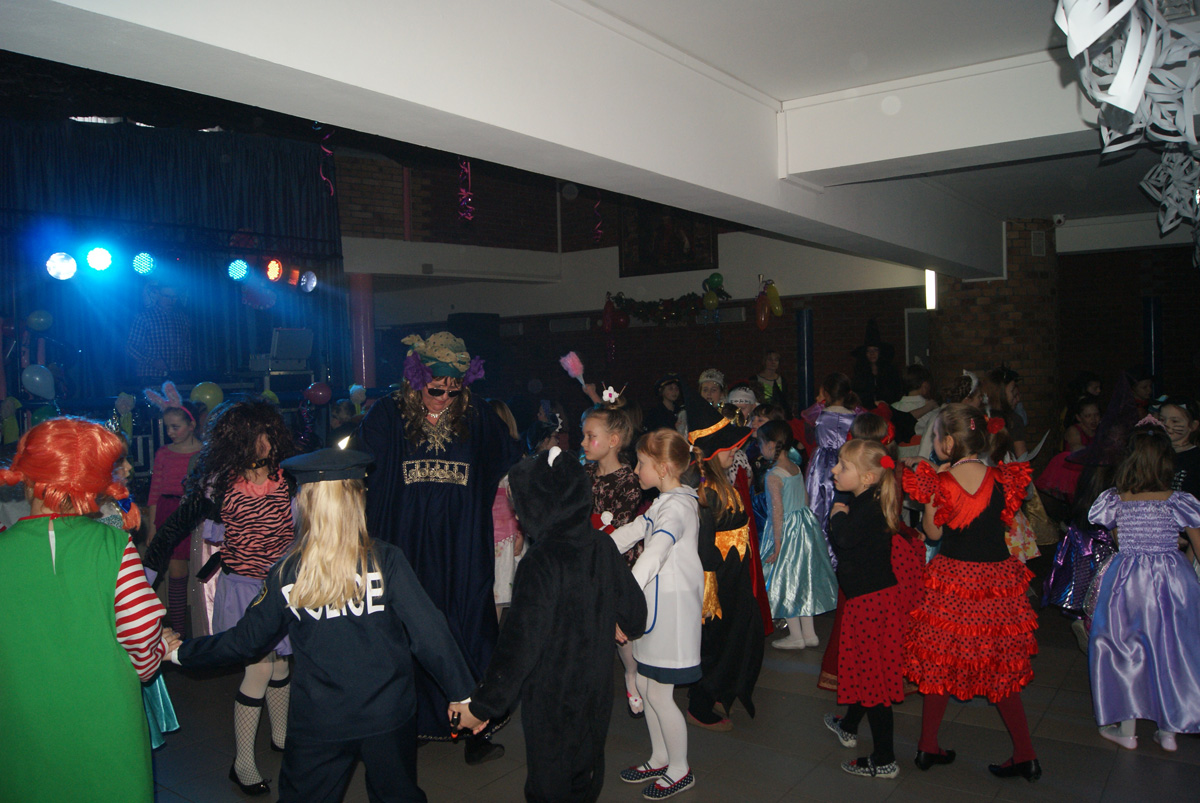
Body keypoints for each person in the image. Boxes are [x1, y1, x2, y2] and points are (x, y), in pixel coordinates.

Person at [168, 448, 478, 803]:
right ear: (358, 500)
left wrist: (180, 653)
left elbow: (245, 640)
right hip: (388, 713)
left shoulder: (287, 572)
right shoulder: (387, 560)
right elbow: (431, 633)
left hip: (322, 717)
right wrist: (464, 695)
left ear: (305, 503)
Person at [356, 331, 521, 761]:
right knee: (406, 627)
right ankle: (408, 720)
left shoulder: (477, 414)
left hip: (461, 542)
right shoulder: (388, 414)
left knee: (468, 622)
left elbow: (508, 458)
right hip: (405, 542)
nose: (444, 398)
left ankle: (477, 727)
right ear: (416, 379)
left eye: (453, 391)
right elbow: (360, 465)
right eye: (435, 390)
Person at [452, 447, 647, 803]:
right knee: (584, 776)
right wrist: (611, 616)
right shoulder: (602, 546)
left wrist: (482, 707)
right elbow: (636, 614)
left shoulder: (540, 561)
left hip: (553, 698)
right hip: (597, 691)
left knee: (549, 783)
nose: (517, 514)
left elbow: (519, 647)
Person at [0, 418, 167, 802]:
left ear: (27, 477)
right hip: (105, 717)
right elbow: (141, 637)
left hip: (19, 717)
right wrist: (156, 654)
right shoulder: (115, 545)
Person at [143, 400, 297, 795]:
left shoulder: (289, 476)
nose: (267, 441)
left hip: (284, 586)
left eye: (270, 433)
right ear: (239, 439)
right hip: (245, 589)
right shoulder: (219, 484)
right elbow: (171, 531)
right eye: (259, 435)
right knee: (259, 668)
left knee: (281, 663)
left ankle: (282, 737)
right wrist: (142, 582)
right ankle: (242, 763)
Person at [902, 404, 1041, 782]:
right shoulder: (1004, 478)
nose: (933, 442)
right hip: (996, 582)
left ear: (948, 443)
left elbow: (933, 534)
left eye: (935, 437)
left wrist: (932, 491)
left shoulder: (940, 482)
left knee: (939, 662)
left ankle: (927, 746)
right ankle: (1026, 755)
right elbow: (1004, 523)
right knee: (1001, 666)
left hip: (953, 581)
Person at [1087, 425, 1200, 751]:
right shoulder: (1179, 501)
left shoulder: (1116, 500)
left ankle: (1127, 729)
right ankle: (1169, 730)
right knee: (1172, 649)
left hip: (1128, 581)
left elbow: (1120, 541)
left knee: (1124, 649)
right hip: (1173, 581)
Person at [609, 429, 703, 800]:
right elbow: (631, 532)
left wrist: (624, 602)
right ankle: (661, 757)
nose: (636, 470)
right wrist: (590, 547)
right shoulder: (667, 501)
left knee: (661, 695)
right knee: (648, 688)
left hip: (671, 614)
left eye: (642, 464)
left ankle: (680, 769)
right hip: (656, 609)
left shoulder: (677, 507)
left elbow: (654, 553)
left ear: (663, 468)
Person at [823, 438, 904, 779]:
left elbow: (843, 539)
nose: (834, 470)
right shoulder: (868, 499)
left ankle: (884, 758)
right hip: (870, 601)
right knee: (866, 668)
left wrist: (836, 516)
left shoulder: (866, 507)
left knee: (874, 681)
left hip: (870, 604)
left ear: (868, 478)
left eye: (843, 466)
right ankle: (849, 725)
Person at [683, 401, 765, 733]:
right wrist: (709, 589)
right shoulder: (706, 491)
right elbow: (703, 546)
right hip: (718, 583)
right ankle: (700, 702)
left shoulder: (721, 484)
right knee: (716, 641)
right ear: (714, 453)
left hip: (734, 578)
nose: (735, 452)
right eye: (729, 448)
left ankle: (719, 688)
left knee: (736, 636)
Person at [581, 397, 646, 716]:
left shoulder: (628, 481)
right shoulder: (584, 472)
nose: (583, 442)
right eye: (583, 436)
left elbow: (618, 529)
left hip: (615, 559)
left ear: (613, 441)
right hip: (585, 557)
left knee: (622, 631)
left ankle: (631, 674)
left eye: (590, 436)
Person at [756, 420, 836, 650]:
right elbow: (806, 499)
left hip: (785, 531)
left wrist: (777, 543)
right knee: (802, 580)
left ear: (770, 445)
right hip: (804, 526)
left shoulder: (774, 475)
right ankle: (809, 633)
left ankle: (796, 635)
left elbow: (777, 511)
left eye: (760, 444)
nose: (760, 448)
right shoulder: (795, 467)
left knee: (785, 580)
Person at [144, 382, 203, 635]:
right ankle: (178, 630)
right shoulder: (163, 453)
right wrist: (152, 528)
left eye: (175, 427)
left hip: (196, 511)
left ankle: (205, 628)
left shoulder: (204, 452)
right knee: (176, 573)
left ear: (191, 425)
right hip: (169, 511)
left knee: (202, 572)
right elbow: (155, 492)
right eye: (167, 427)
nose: (170, 432)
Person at [802, 372, 860, 537]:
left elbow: (809, 437)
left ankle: (818, 541)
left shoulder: (818, 414)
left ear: (826, 393)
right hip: (846, 461)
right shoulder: (856, 416)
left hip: (821, 464)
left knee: (817, 501)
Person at [489, 399, 523, 617]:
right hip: (483, 533)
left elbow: (520, 499)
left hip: (506, 535)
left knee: (499, 595)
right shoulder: (477, 454)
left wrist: (521, 532)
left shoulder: (514, 457)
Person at [126, 281, 192, 380]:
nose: (171, 300)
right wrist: (152, 361)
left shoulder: (182, 318)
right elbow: (130, 348)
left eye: (174, 297)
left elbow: (186, 348)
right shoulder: (144, 317)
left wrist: (187, 372)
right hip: (150, 375)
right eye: (166, 296)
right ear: (158, 295)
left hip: (177, 376)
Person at [850, 319, 902, 407]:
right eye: (868, 351)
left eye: (875, 350)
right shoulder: (860, 373)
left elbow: (896, 393)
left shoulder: (890, 372)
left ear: (880, 352)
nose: (872, 354)